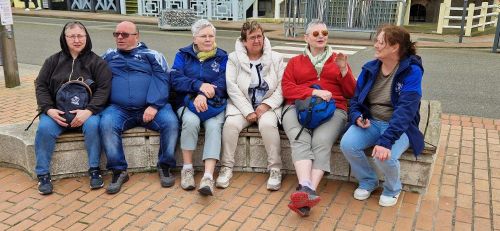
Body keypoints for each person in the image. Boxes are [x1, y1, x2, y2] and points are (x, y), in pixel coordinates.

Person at [340, 25, 424, 207]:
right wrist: (356, 117)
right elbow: (355, 100)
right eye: (376, 41)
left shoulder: (412, 71)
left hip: (399, 127)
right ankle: (368, 180)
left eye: (381, 42)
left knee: (383, 156)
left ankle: (393, 188)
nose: (376, 46)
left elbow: (405, 112)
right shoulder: (370, 69)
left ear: (394, 47)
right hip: (372, 122)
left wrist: (386, 141)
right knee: (347, 144)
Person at [281, 19, 356, 216]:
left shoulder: (337, 59)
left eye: (324, 32)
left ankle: (307, 190)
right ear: (306, 38)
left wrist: (343, 70)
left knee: (321, 140)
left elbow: (351, 92)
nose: (321, 36)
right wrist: (313, 93)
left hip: (334, 109)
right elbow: (287, 89)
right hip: (297, 107)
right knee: (301, 139)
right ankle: (307, 190)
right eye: (315, 34)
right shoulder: (296, 62)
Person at [100, 21, 179, 194]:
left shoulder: (152, 55)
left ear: (137, 36)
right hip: (119, 109)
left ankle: (165, 166)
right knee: (106, 123)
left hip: (152, 107)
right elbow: (95, 75)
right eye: (117, 34)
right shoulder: (108, 55)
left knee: (171, 123)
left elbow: (163, 79)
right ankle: (119, 171)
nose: (120, 37)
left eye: (125, 34)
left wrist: (154, 105)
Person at [34, 21, 112, 195]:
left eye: (80, 36)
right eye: (72, 36)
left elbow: (104, 88)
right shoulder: (52, 61)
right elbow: (40, 85)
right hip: (57, 112)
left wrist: (89, 111)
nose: (77, 40)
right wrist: (48, 109)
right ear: (65, 38)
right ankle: (43, 174)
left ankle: (94, 170)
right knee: (44, 129)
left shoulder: (97, 62)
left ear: (86, 37)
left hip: (86, 112)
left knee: (93, 126)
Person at [217, 21, 285, 190]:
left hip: (268, 106)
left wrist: (266, 105)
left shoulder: (276, 58)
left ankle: (275, 169)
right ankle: (226, 168)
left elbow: (282, 87)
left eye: (259, 36)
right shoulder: (234, 58)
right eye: (252, 37)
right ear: (244, 41)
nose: (257, 40)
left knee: (268, 125)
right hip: (242, 106)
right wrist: (248, 110)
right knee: (231, 125)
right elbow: (231, 87)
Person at [170, 19, 227, 196]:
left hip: (214, 103)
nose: (208, 39)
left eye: (211, 36)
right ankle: (187, 169)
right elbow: (176, 79)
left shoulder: (223, 56)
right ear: (194, 38)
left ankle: (208, 176)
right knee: (190, 121)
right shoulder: (183, 55)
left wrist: (205, 94)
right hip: (187, 101)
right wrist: (198, 87)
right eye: (203, 36)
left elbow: (224, 82)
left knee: (214, 126)